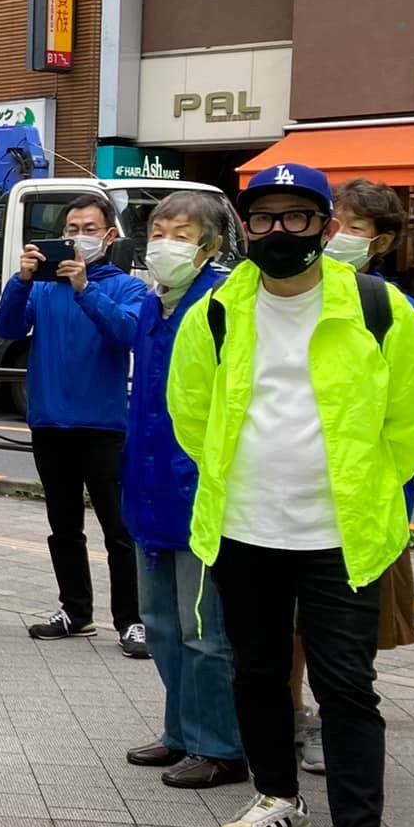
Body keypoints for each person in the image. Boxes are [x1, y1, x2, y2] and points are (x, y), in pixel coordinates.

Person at [170, 163, 414, 827]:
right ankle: (278, 798)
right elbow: (191, 411)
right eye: (265, 218)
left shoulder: (383, 310)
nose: (279, 232)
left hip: (341, 533)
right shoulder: (216, 312)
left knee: (347, 685)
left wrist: (362, 488)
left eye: (297, 218)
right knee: (256, 673)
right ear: (244, 228)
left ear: (325, 225)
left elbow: (409, 422)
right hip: (246, 526)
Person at [291, 179, 414, 774]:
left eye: (357, 226)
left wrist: (383, 495)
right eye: (335, 221)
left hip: (363, 504)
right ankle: (290, 714)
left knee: (345, 632)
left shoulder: (393, 307)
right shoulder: (291, 294)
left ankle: (328, 721)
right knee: (288, 626)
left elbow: (408, 418)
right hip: (292, 494)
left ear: (381, 242)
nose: (340, 236)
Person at [121, 190, 245, 790]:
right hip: (148, 487)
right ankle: (179, 731)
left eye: (182, 233)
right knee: (161, 622)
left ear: (211, 245)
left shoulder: (223, 303)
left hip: (198, 488)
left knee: (204, 631)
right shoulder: (153, 303)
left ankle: (219, 745)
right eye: (160, 231)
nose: (166, 243)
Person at [0, 192, 148, 652]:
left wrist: (86, 288)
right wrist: (21, 281)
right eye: (72, 230)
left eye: (90, 229)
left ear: (110, 235)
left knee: (118, 529)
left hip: (104, 425)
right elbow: (7, 328)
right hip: (50, 421)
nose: (80, 238)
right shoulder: (41, 286)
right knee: (63, 525)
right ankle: (75, 611)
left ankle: (132, 620)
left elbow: (127, 334)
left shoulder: (126, 286)